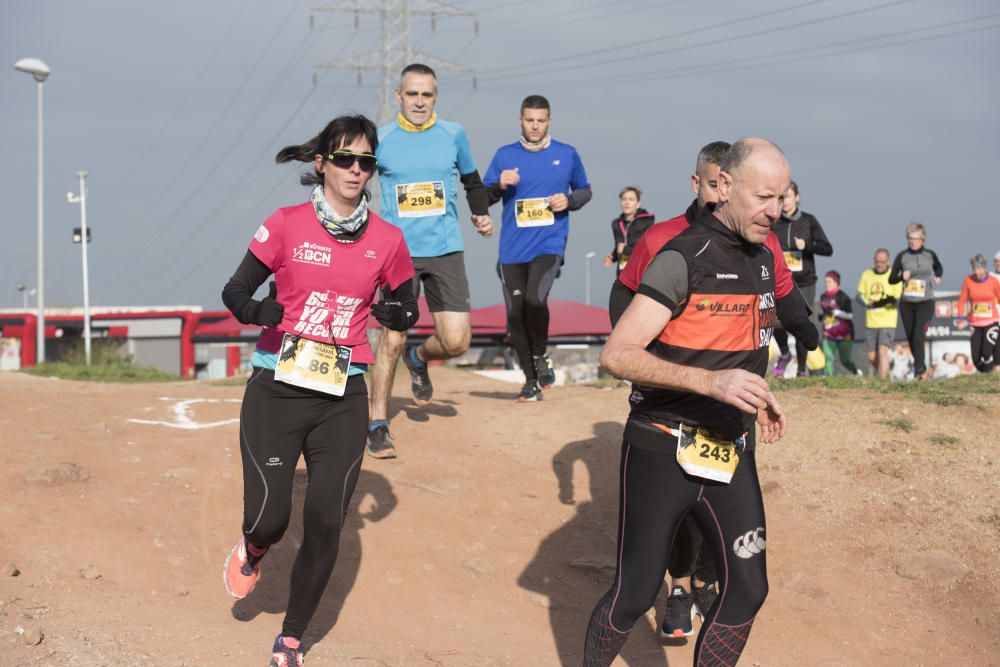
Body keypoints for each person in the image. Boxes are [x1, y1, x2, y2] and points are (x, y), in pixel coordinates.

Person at [582, 138, 790, 666]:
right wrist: (710, 384)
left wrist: (756, 392)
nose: (776, 211)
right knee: (634, 594)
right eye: (764, 197)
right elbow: (617, 354)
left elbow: (737, 347)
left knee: (748, 589)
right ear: (725, 187)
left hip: (730, 447)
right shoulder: (681, 257)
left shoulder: (764, 256)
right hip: (662, 443)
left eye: (782, 197)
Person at [220, 115, 419, 666]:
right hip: (277, 388)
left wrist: (397, 313)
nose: (356, 170)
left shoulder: (388, 239)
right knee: (270, 519)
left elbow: (409, 303)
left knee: (327, 522)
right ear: (322, 163)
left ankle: (292, 638)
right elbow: (235, 290)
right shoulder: (285, 224)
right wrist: (257, 311)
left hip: (344, 393)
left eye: (366, 162)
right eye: (345, 159)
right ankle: (254, 547)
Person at [368, 63, 494, 458]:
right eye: (412, 94)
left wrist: (481, 213)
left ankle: (419, 357)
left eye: (427, 95)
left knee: (457, 341)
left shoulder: (453, 134)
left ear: (435, 97)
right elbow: (354, 180)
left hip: (446, 250)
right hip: (397, 253)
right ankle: (377, 424)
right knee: (391, 338)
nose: (419, 102)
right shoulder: (381, 139)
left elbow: (472, 181)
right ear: (398, 96)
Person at [483, 94, 592, 401]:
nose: (534, 126)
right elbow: (483, 197)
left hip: (549, 244)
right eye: (529, 120)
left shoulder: (566, 154)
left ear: (549, 121)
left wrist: (568, 200)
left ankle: (541, 354)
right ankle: (530, 382)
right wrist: (499, 185)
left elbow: (585, 191)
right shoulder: (504, 155)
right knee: (516, 315)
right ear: (520, 120)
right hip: (512, 250)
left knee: (534, 299)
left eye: (540, 121)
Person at [770, 181, 833, 376]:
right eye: (781, 198)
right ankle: (785, 353)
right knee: (774, 321)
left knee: (801, 323)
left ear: (797, 197)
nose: (785, 201)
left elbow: (827, 248)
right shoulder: (774, 221)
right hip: (781, 280)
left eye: (788, 196)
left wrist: (806, 246)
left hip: (805, 281)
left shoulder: (809, 221)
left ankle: (802, 370)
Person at [888, 222, 943, 380]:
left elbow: (939, 267)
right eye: (909, 238)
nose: (912, 241)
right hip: (907, 303)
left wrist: (938, 276)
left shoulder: (930, 255)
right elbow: (891, 279)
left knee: (919, 335)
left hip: (925, 301)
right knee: (912, 337)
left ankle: (919, 371)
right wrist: (901, 277)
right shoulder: (902, 256)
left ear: (922, 239)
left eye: (915, 238)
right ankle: (922, 369)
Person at [857, 248, 903, 378]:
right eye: (877, 261)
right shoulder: (867, 274)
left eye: (882, 262)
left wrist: (886, 300)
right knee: (872, 356)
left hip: (887, 321)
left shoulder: (894, 275)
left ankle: (882, 383)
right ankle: (888, 374)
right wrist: (868, 303)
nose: (879, 264)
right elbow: (859, 295)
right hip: (871, 322)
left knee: (883, 351)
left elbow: (897, 299)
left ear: (888, 261)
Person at [956, 254, 1000, 373]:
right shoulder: (968, 280)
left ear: (985, 268)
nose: (977, 272)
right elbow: (962, 301)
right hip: (975, 323)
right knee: (976, 358)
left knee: (986, 352)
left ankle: (989, 375)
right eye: (975, 269)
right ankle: (986, 373)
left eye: (980, 269)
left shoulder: (993, 281)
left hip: (991, 322)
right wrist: (960, 319)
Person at [604, 186, 654, 275]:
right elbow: (619, 247)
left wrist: (626, 250)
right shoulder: (616, 224)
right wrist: (612, 257)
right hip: (623, 266)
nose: (627, 202)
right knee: (622, 279)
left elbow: (645, 246)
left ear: (638, 204)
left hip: (641, 269)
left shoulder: (646, 221)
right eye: (624, 199)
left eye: (631, 199)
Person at [819, 271, 860, 376]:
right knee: (828, 357)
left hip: (844, 334)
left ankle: (856, 372)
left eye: (829, 281)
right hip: (828, 333)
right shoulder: (823, 297)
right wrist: (822, 315)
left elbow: (850, 315)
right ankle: (829, 378)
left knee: (845, 360)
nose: (826, 284)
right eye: (825, 281)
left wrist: (836, 312)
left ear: (836, 282)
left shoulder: (843, 297)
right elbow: (822, 311)